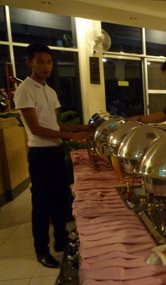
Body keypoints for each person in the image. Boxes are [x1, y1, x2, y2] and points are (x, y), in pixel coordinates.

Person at [14, 43, 92, 268]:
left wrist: (80, 128)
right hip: (40, 155)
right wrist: (71, 138)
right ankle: (41, 250)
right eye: (40, 61)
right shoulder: (25, 90)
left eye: (49, 62)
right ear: (29, 62)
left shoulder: (50, 91)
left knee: (60, 199)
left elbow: (55, 123)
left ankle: (61, 241)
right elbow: (37, 129)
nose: (46, 66)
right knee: (42, 204)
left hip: (56, 151)